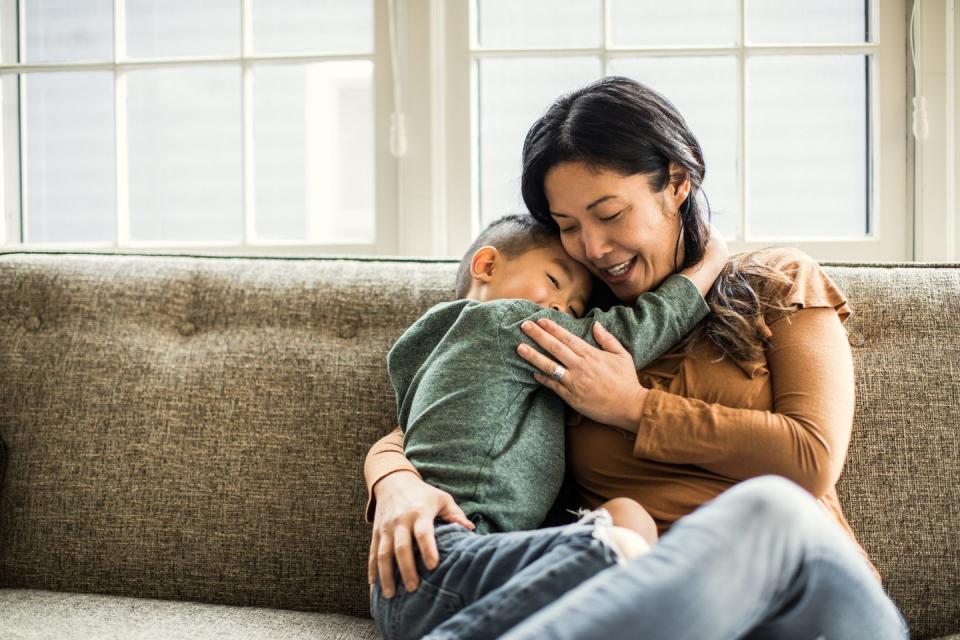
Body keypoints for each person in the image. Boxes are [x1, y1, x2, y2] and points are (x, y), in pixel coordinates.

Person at [365, 76, 908, 638]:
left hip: (809, 604)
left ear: (677, 181)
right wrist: (395, 484)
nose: (593, 249)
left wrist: (631, 407)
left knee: (771, 507)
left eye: (609, 213)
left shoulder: (776, 281)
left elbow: (811, 459)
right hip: (651, 618)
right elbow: (439, 411)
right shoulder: (576, 325)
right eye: (569, 227)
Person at [371, 213, 726, 639]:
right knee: (622, 543)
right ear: (487, 265)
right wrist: (707, 265)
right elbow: (628, 336)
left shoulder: (428, 355)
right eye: (555, 282)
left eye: (575, 308)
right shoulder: (504, 323)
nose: (562, 309)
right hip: (446, 556)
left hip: (425, 577)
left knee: (625, 519)